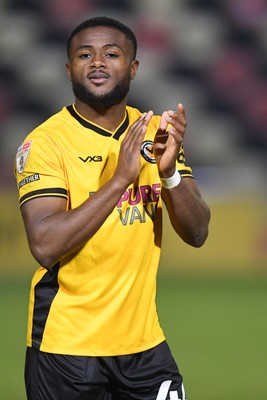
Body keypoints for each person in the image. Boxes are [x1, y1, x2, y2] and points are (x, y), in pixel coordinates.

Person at [14, 16, 210, 400]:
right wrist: (120, 180)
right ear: (69, 69)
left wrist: (168, 173)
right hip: (66, 350)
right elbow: (44, 243)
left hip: (144, 346)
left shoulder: (156, 134)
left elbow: (198, 232)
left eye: (112, 54)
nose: (98, 63)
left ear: (133, 68)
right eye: (85, 54)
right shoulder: (45, 144)